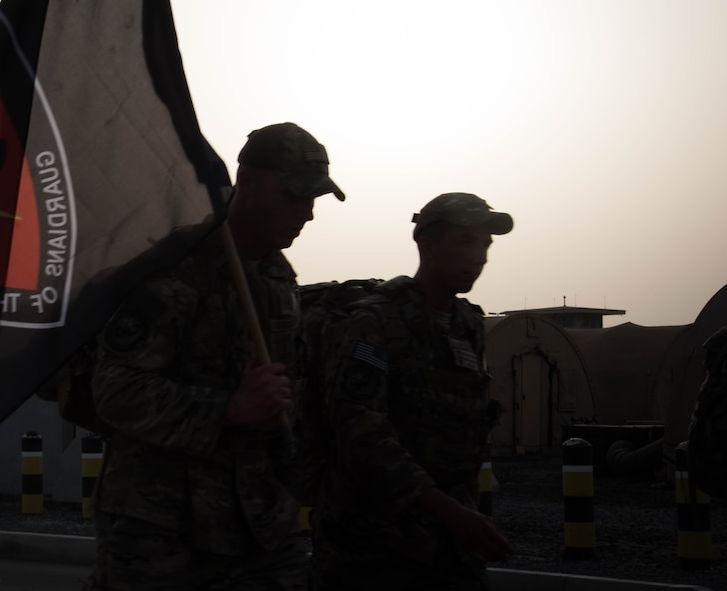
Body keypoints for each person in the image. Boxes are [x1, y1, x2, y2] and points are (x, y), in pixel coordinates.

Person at [86, 122, 345, 590]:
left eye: (314, 199)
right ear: (246, 183)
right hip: (163, 528)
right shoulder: (177, 267)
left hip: (259, 525)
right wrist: (227, 409)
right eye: (293, 195)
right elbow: (116, 389)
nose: (306, 213)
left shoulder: (276, 276)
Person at [310, 193, 514, 590]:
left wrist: (459, 517)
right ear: (428, 245)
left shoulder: (468, 325)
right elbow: (361, 435)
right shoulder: (375, 322)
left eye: (486, 244)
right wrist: (451, 513)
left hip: (449, 545)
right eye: (467, 241)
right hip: (371, 548)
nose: (481, 256)